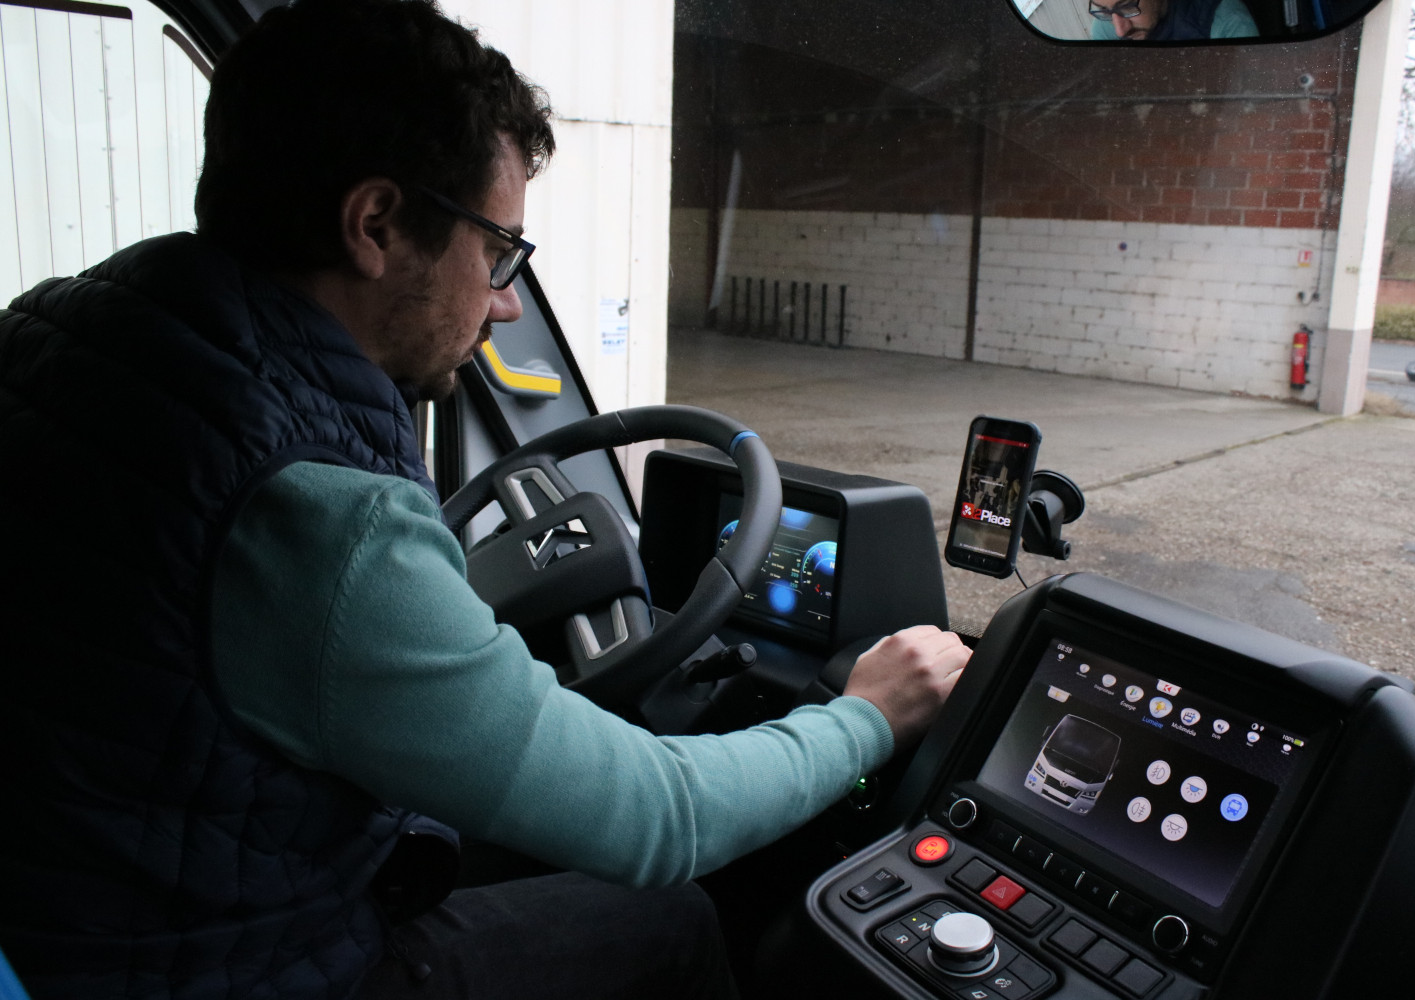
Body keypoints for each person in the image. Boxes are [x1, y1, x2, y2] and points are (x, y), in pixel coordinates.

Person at [0, 0, 970, 998]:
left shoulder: (64, 336)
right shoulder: (320, 516)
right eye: (499, 252)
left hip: (79, 910)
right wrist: (867, 713)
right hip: (238, 967)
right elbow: (659, 817)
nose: (507, 302)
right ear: (375, 224)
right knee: (669, 916)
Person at [1088, 0, 1259, 40]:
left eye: (1127, 7)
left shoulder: (1229, 24)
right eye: (1104, 11)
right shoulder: (1105, 27)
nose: (1120, 30)